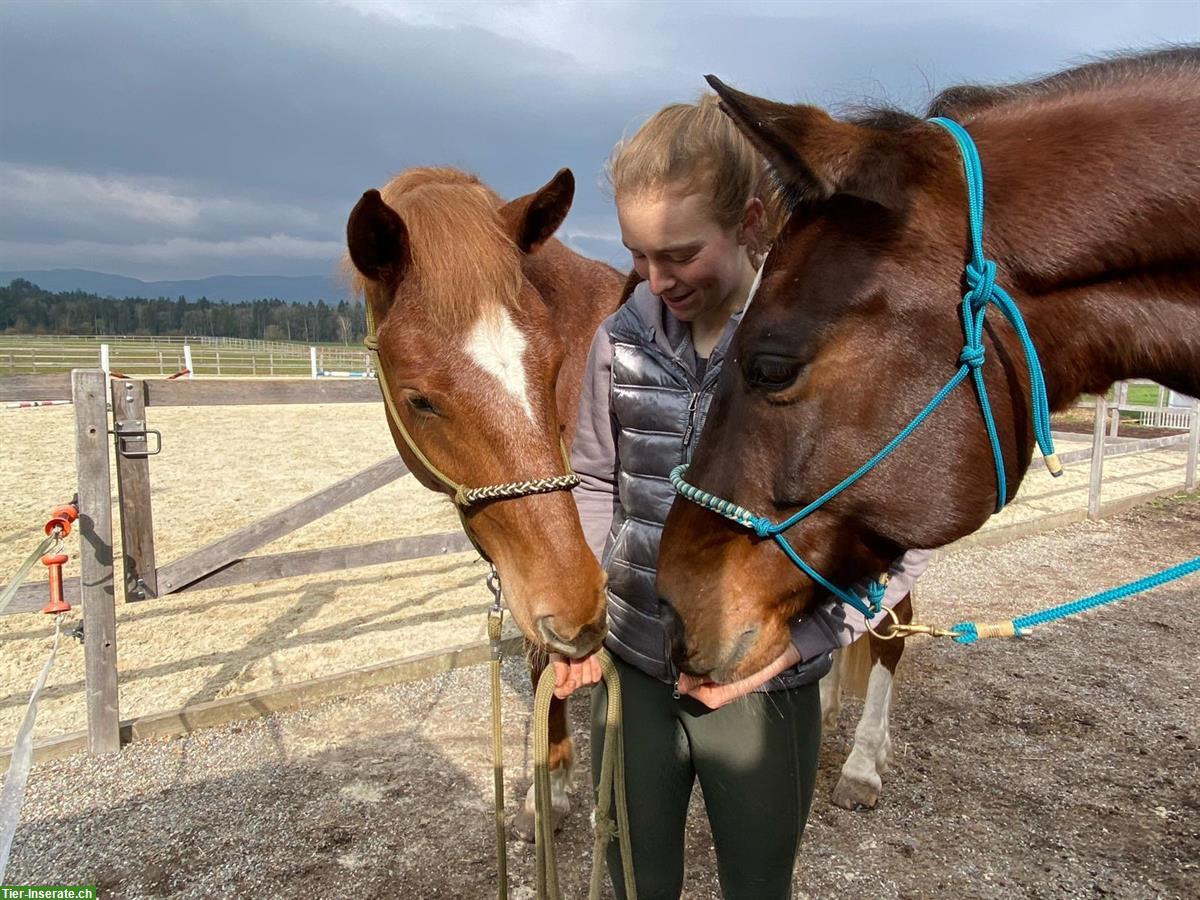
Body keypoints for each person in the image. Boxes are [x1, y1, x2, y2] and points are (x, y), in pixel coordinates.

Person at [555, 94, 931, 899]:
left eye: (679, 253)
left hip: (765, 687)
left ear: (752, 221)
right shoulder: (615, 345)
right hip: (634, 675)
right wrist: (587, 609)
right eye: (637, 254)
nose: (655, 280)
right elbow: (593, 477)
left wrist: (814, 638)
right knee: (628, 884)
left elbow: (905, 533)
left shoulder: (821, 356)